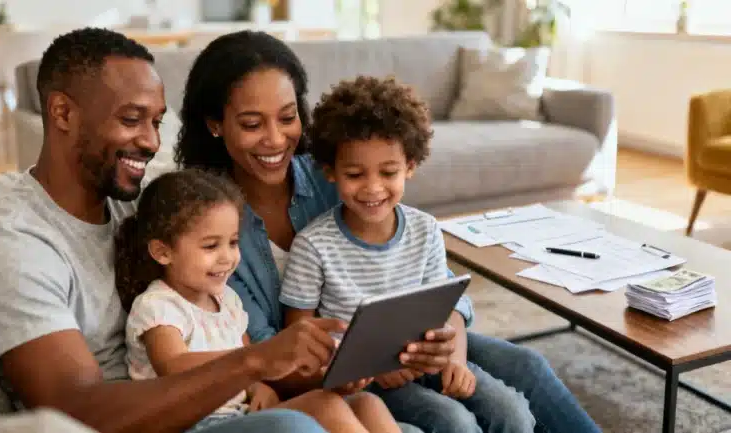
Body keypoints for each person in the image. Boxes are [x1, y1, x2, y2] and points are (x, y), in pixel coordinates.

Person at [0, 28, 449, 433]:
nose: (152, 142)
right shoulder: (14, 246)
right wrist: (255, 363)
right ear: (63, 113)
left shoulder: (135, 203)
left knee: (371, 408)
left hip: (224, 398)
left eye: (156, 121)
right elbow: (75, 412)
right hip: (159, 420)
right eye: (132, 120)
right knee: (300, 425)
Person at [174, 29, 602, 433]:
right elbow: (267, 353)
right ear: (215, 124)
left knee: (526, 367)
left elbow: (431, 278)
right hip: (333, 374)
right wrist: (360, 367)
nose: (275, 139)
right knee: (448, 418)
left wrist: (447, 337)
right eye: (252, 124)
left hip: (410, 345)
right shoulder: (209, 226)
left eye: (287, 118)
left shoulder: (336, 173)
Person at [279, 75, 535, 433]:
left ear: (410, 166)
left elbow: (444, 310)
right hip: (369, 382)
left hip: (429, 361)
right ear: (330, 172)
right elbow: (300, 338)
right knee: (454, 422)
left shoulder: (425, 229)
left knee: (512, 411)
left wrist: (456, 360)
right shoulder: (313, 245)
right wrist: (369, 366)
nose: (372, 188)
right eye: (354, 173)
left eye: (388, 172)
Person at [115, 168, 402, 433]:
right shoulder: (157, 305)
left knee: (366, 403)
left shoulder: (226, 299)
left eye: (233, 242)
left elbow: (248, 359)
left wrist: (258, 386)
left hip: (237, 415)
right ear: (163, 252)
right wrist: (259, 362)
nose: (227, 257)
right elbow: (173, 367)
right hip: (191, 424)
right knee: (321, 405)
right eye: (211, 245)